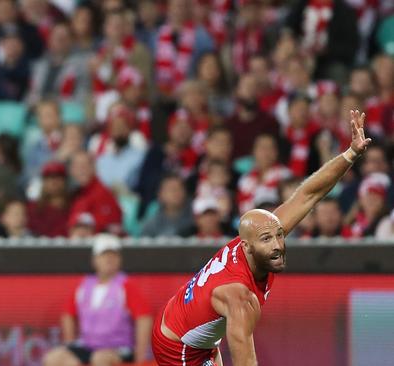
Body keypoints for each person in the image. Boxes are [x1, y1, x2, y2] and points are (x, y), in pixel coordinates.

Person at [151, 110, 372, 365]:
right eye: (268, 240)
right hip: (177, 349)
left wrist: (350, 154)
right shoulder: (239, 296)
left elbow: (308, 194)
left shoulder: (259, 233)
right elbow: (245, 360)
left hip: (190, 326)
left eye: (280, 235)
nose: (278, 245)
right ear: (247, 246)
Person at [43, 234, 153, 366]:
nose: (109, 259)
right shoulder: (84, 286)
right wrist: (70, 343)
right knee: (54, 359)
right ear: (95, 260)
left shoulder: (126, 286)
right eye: (104, 255)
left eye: (113, 255)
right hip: (87, 345)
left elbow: (144, 319)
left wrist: (139, 358)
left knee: (100, 359)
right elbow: (68, 314)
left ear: (120, 259)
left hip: (118, 347)